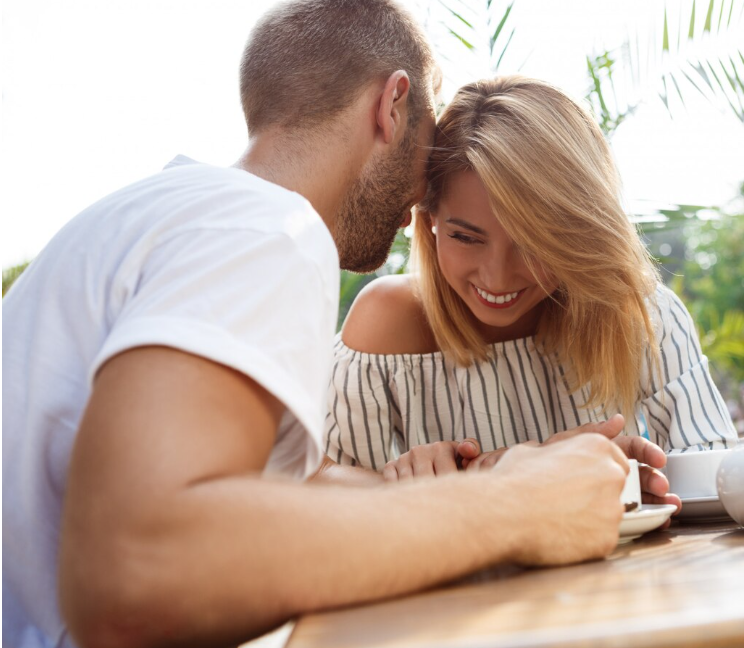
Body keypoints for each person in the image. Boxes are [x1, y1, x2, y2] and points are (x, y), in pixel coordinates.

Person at [1, 4, 636, 647]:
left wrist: (508, 474)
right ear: (392, 105)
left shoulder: (176, 214)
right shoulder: (265, 229)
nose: (424, 192)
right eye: (429, 132)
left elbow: (282, 499)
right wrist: (518, 508)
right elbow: (135, 577)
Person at [326, 76, 737, 495]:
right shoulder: (385, 325)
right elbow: (317, 501)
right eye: (465, 237)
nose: (497, 278)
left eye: (533, 243)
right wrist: (437, 486)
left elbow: (718, 477)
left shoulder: (638, 313)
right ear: (429, 219)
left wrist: (646, 486)